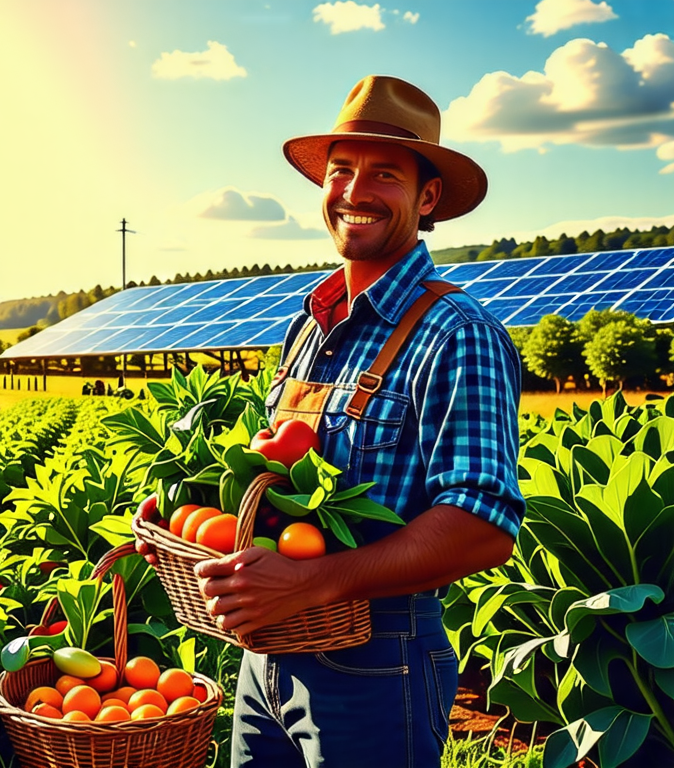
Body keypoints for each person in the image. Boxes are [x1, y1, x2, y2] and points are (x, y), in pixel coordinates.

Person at [137, 75, 524, 767]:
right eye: (341, 170)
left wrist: (320, 581)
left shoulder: (456, 333)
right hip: (266, 661)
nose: (355, 190)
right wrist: (189, 523)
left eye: (385, 173)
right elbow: (277, 482)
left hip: (378, 662)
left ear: (427, 197)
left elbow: (483, 525)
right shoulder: (308, 327)